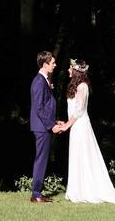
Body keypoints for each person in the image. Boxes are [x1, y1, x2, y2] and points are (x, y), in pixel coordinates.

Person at [59, 59, 115, 204]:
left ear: (76, 71)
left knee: (83, 155)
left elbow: (79, 110)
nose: (68, 70)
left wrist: (66, 125)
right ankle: (77, 189)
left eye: (70, 68)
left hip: (81, 125)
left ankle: (87, 189)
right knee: (77, 154)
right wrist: (66, 123)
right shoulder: (75, 86)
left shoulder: (83, 86)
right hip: (75, 126)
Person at [29, 50, 65, 203]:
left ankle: (37, 193)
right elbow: (39, 107)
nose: (55, 65)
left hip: (45, 126)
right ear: (45, 64)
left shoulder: (44, 80)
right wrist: (51, 126)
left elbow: (46, 106)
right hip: (42, 128)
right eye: (52, 63)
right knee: (41, 159)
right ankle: (36, 194)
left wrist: (55, 122)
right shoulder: (39, 81)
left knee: (42, 159)